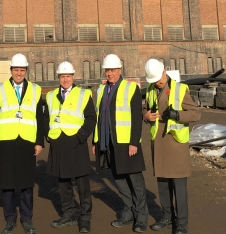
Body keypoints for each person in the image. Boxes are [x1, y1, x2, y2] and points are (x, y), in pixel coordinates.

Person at [92, 54, 148, 233]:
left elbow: (137, 118)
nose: (109, 74)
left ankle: (141, 217)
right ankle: (127, 212)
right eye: (107, 70)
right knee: (120, 180)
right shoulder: (101, 90)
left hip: (126, 144)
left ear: (120, 70)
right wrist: (96, 141)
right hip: (108, 143)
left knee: (135, 182)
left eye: (113, 70)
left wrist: (134, 143)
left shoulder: (131, 88)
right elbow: (98, 118)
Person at [143, 59, 201, 234]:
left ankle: (182, 224)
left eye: (159, 78)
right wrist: (146, 116)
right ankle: (167, 218)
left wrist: (177, 114)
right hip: (159, 145)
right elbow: (145, 109)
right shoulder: (150, 89)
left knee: (179, 186)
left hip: (175, 144)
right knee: (162, 184)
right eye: (153, 80)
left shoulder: (180, 89)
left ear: (165, 71)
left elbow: (195, 114)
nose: (157, 82)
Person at [0, 53, 44, 234]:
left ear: (26, 70)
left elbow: (39, 118)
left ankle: (27, 219)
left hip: (27, 141)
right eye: (16, 70)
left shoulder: (36, 90)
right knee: (7, 183)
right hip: (5, 141)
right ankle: (10, 219)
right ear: (11, 70)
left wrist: (39, 142)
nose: (19, 73)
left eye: (22, 70)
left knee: (27, 182)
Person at [44, 61, 96, 233]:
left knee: (82, 183)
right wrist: (48, 134)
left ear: (73, 77)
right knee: (63, 182)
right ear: (58, 77)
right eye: (62, 76)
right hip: (58, 143)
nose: (65, 79)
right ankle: (68, 214)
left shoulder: (83, 94)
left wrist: (80, 137)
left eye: (68, 76)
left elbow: (90, 118)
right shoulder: (51, 96)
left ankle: (85, 218)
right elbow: (45, 118)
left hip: (76, 144)